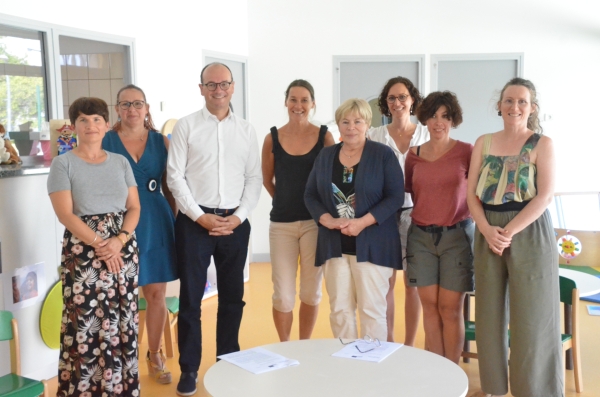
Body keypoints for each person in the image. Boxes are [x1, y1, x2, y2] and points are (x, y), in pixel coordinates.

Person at [166, 62, 262, 396]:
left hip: (235, 222)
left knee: (233, 298)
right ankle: (189, 369)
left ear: (233, 87)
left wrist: (238, 217)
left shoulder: (248, 130)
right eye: (211, 84)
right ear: (201, 88)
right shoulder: (187, 127)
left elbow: (254, 178)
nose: (218, 89)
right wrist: (198, 216)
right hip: (195, 223)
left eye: (224, 84)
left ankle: (228, 361)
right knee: (191, 299)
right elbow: (175, 175)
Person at [467, 78, 562, 397]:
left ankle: (535, 390)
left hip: (529, 232)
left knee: (533, 317)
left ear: (532, 108)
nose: (514, 107)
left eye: (522, 101)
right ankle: (493, 388)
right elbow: (471, 195)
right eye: (509, 100)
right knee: (489, 316)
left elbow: (545, 196)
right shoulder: (484, 142)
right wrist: (485, 228)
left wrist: (509, 231)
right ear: (499, 105)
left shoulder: (542, 144)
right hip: (487, 232)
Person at [47, 97, 141, 396]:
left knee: (121, 319)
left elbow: (134, 207)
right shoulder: (63, 163)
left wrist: (119, 241)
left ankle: (122, 390)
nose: (91, 125)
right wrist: (101, 244)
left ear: (106, 124)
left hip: (123, 249)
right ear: (73, 126)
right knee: (87, 324)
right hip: (83, 252)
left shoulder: (120, 162)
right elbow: (65, 214)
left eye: (97, 119)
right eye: (84, 120)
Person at [304, 98, 404, 341]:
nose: (351, 127)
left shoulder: (383, 154)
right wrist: (325, 219)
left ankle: (371, 371)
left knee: (371, 310)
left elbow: (395, 197)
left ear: (367, 124)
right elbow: (310, 194)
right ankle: (346, 366)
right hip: (334, 245)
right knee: (339, 310)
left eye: (357, 121)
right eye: (345, 121)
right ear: (338, 124)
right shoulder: (326, 156)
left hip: (373, 244)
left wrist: (362, 223)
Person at [103, 84, 178, 384]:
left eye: (138, 104)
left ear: (147, 108)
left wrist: (176, 221)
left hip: (156, 219)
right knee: (121, 297)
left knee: (156, 294)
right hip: (117, 226)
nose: (132, 109)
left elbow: (172, 185)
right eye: (125, 104)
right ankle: (124, 358)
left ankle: (155, 353)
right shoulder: (105, 140)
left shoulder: (162, 142)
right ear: (117, 109)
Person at [262, 79, 335, 342]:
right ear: (286, 102)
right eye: (293, 99)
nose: (298, 105)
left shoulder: (325, 136)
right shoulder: (272, 137)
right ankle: (285, 346)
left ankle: (303, 345)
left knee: (310, 292)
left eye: (304, 100)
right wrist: (283, 199)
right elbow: (267, 179)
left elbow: (333, 178)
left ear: (313, 104)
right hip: (281, 224)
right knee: (283, 294)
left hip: (315, 225)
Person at [404, 91, 473, 364]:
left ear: (453, 119)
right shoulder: (413, 155)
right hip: (420, 237)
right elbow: (411, 189)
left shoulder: (467, 151)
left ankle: (453, 373)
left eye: (445, 116)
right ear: (425, 119)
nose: (438, 122)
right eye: (432, 116)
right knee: (430, 308)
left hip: (456, 236)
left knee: (450, 309)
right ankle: (438, 375)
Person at [368, 76, 429, 344]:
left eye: (402, 97)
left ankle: (409, 343)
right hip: (384, 215)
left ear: (412, 100)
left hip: (417, 213)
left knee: (412, 284)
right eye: (392, 98)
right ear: (385, 103)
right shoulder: (375, 136)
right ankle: (390, 340)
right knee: (386, 284)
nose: (397, 103)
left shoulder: (427, 133)